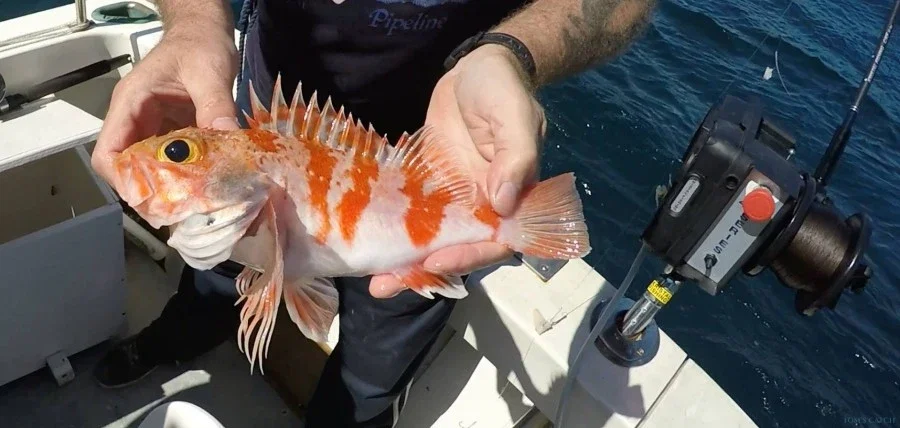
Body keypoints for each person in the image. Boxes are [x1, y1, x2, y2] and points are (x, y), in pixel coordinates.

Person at [89, 0, 656, 426]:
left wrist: (512, 52)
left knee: (372, 370)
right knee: (213, 278)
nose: (168, 159)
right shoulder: (241, 176)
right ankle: (176, 338)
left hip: (440, 141)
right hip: (261, 117)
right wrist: (193, 24)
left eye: (179, 153)